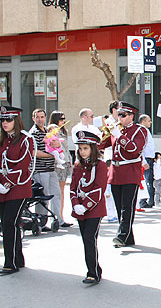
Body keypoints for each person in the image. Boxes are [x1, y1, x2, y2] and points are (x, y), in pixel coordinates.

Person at [99, 102, 147, 248]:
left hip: (130, 171)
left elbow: (134, 149)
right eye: (118, 115)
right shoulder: (116, 130)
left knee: (128, 206)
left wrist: (118, 134)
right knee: (119, 206)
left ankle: (121, 235)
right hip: (115, 171)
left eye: (123, 115)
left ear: (132, 116)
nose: (120, 118)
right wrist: (103, 132)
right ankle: (128, 237)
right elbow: (101, 144)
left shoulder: (140, 130)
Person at [0, 106, 36, 274]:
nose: (5, 123)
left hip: (18, 187)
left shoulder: (25, 139)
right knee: (8, 223)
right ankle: (18, 259)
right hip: (2, 187)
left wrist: (7, 183)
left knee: (9, 222)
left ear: (16, 120)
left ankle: (10, 263)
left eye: (8, 120)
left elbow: (23, 165)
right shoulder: (3, 139)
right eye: (2, 120)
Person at [70, 130, 107, 285]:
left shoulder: (101, 165)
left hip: (94, 208)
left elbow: (99, 188)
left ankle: (92, 272)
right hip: (79, 208)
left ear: (92, 148)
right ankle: (95, 268)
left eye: (85, 148)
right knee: (86, 240)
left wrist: (85, 206)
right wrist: (76, 204)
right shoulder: (78, 166)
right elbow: (72, 187)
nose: (82, 152)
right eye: (80, 149)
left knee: (89, 238)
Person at [29, 108, 60, 231]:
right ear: (33, 118)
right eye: (37, 117)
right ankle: (41, 222)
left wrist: (57, 146)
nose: (40, 119)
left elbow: (56, 145)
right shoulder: (33, 132)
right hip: (40, 170)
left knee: (55, 194)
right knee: (43, 197)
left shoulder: (48, 131)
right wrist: (50, 155)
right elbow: (33, 152)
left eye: (42, 117)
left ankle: (58, 218)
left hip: (51, 168)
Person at [49, 111, 73, 227]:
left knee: (62, 190)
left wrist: (70, 161)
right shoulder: (52, 131)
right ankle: (58, 217)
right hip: (58, 162)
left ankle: (61, 216)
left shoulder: (64, 131)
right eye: (61, 119)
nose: (63, 121)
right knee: (58, 191)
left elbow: (66, 148)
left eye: (64, 118)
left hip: (66, 161)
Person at [138, 114, 155, 208]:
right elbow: (141, 147)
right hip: (146, 159)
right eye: (149, 121)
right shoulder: (141, 130)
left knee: (150, 180)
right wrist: (143, 161)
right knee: (146, 180)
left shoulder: (146, 130)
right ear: (143, 122)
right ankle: (144, 200)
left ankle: (149, 200)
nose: (150, 122)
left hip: (149, 158)